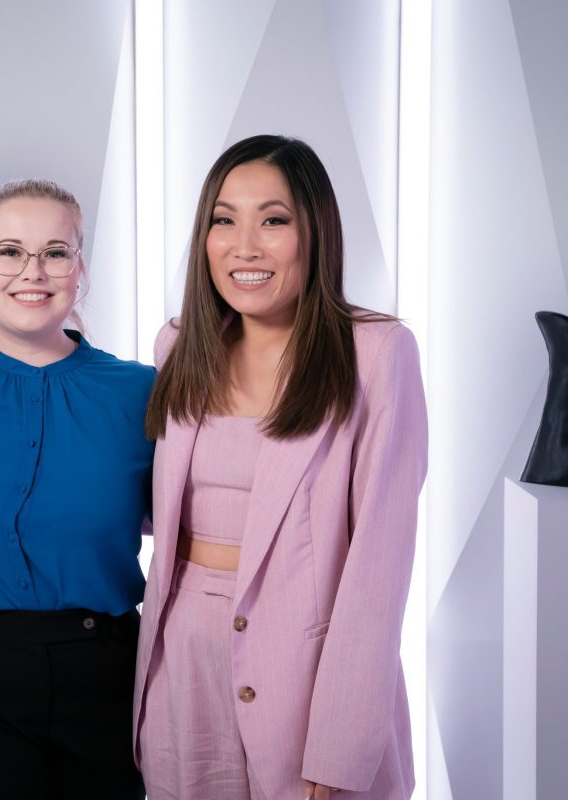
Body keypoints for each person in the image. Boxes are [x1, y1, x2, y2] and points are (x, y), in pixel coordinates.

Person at [134, 135, 428, 800]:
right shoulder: (177, 346)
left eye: (273, 220)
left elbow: (379, 570)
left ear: (314, 233)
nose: (244, 246)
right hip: (183, 664)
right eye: (223, 220)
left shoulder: (377, 354)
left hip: (307, 675)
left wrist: (340, 751)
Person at [0, 179, 152, 799]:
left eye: (56, 252)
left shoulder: (142, 393)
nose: (32, 271)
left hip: (107, 674)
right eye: (10, 251)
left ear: (80, 269)